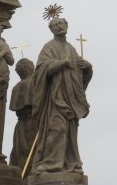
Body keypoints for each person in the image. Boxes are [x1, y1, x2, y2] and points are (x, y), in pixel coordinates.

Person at [32, 17, 93, 175]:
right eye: (55, 25)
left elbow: (79, 74)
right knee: (57, 128)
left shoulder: (71, 48)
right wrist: (61, 63)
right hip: (55, 98)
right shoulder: (49, 47)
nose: (59, 27)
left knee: (71, 133)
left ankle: (71, 163)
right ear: (51, 30)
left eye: (62, 24)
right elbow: (40, 70)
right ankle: (51, 163)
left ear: (67, 25)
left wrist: (87, 67)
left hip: (71, 98)